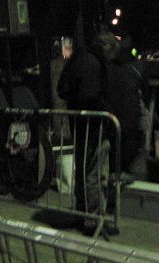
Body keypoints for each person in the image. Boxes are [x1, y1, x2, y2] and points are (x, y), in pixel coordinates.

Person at [57, 31, 111, 233]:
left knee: (83, 169)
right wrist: (107, 109)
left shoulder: (77, 59)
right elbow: (91, 95)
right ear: (104, 46)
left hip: (79, 124)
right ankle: (94, 219)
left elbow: (62, 89)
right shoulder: (93, 63)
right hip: (94, 125)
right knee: (95, 173)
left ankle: (82, 213)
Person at [98, 31, 149, 180]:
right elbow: (144, 92)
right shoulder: (136, 66)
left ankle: (114, 182)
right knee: (128, 155)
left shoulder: (105, 67)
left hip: (112, 118)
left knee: (113, 156)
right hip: (131, 117)